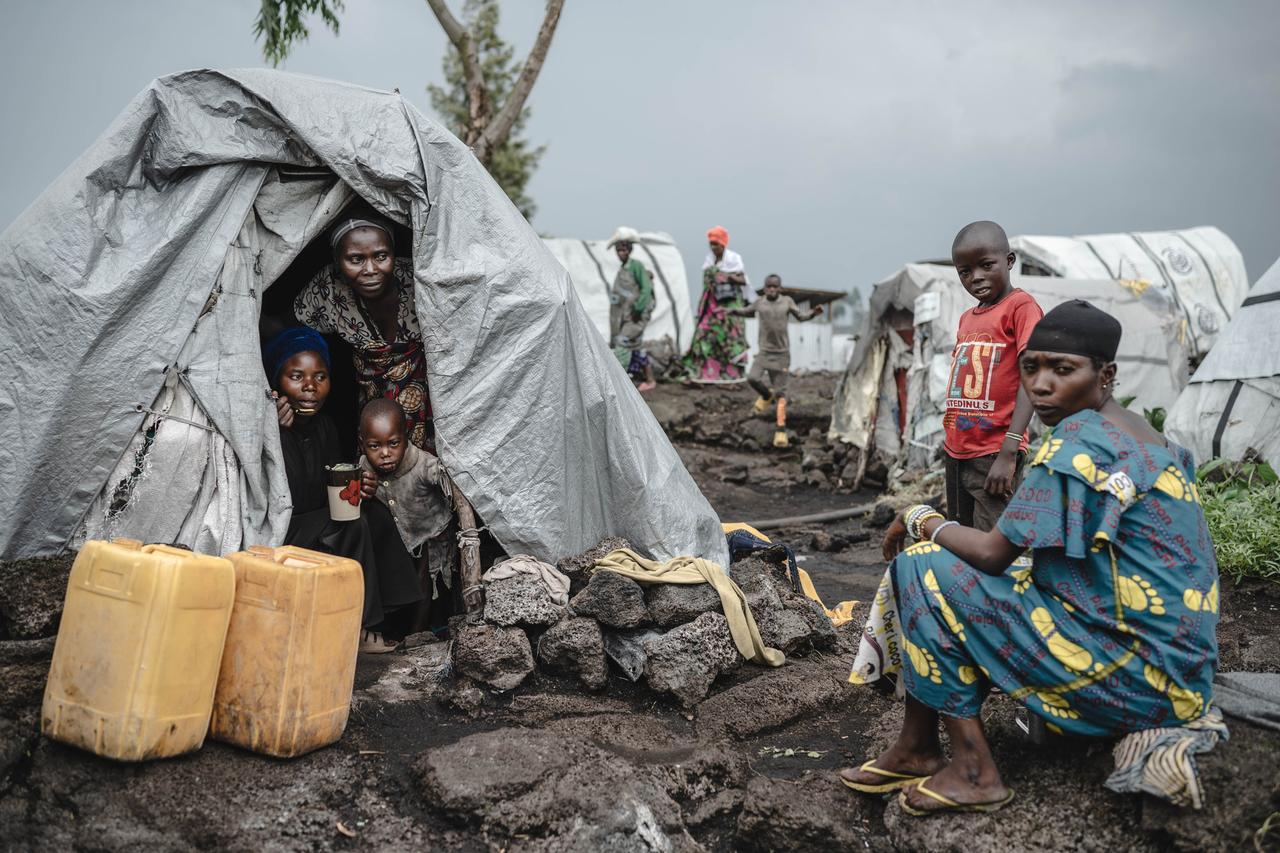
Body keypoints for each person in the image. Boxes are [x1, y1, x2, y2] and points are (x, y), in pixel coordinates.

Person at [841, 301, 1221, 816]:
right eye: (1031, 366)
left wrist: (919, 518)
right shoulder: (1147, 438)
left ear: (1105, 375)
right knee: (955, 570)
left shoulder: (1079, 443)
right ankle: (917, 748)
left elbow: (994, 553)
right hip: (1178, 676)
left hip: (1130, 680)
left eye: (1062, 370)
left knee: (922, 567)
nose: (1041, 384)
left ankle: (974, 771)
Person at [265, 326, 424, 654]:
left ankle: (397, 615)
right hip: (280, 529)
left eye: (320, 376)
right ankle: (360, 628)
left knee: (373, 511)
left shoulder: (325, 427)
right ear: (276, 381)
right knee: (350, 523)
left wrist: (360, 487)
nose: (310, 387)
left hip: (317, 519)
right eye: (296, 376)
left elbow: (334, 480)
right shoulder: (265, 424)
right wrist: (267, 426)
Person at [294, 216, 433, 449]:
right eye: (356, 259)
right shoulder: (328, 288)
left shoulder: (420, 279)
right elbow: (287, 329)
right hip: (374, 410)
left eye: (381, 256)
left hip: (432, 405)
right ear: (337, 262)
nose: (370, 270)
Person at [942, 220, 1043, 530]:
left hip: (995, 452)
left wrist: (1010, 450)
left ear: (1009, 261)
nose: (977, 277)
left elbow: (1033, 375)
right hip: (957, 450)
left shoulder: (1021, 307)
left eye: (986, 265)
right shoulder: (967, 318)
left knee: (991, 543)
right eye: (965, 272)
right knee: (960, 535)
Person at [728, 274, 822, 448]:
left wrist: (813, 314)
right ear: (764, 288)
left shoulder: (787, 302)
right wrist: (732, 311)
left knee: (781, 395)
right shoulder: (759, 302)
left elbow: (800, 317)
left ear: (780, 288)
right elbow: (746, 311)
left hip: (782, 355)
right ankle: (765, 395)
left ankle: (781, 430)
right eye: (769, 287)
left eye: (775, 287)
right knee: (752, 378)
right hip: (764, 353)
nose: (772, 289)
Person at [681, 225, 751, 381]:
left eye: (716, 244)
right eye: (711, 244)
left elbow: (742, 280)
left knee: (729, 340)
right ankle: (708, 373)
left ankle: (731, 375)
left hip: (729, 307)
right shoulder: (709, 260)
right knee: (703, 334)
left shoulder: (734, 259)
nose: (713, 247)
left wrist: (727, 277)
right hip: (711, 306)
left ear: (723, 244)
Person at [606, 226, 658, 392]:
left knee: (623, 343)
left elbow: (646, 288)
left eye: (623, 249)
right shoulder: (623, 269)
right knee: (635, 347)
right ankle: (650, 380)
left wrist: (638, 308)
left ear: (629, 249)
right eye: (618, 249)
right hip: (626, 317)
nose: (621, 252)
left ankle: (618, 383)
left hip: (636, 315)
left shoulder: (636, 266)